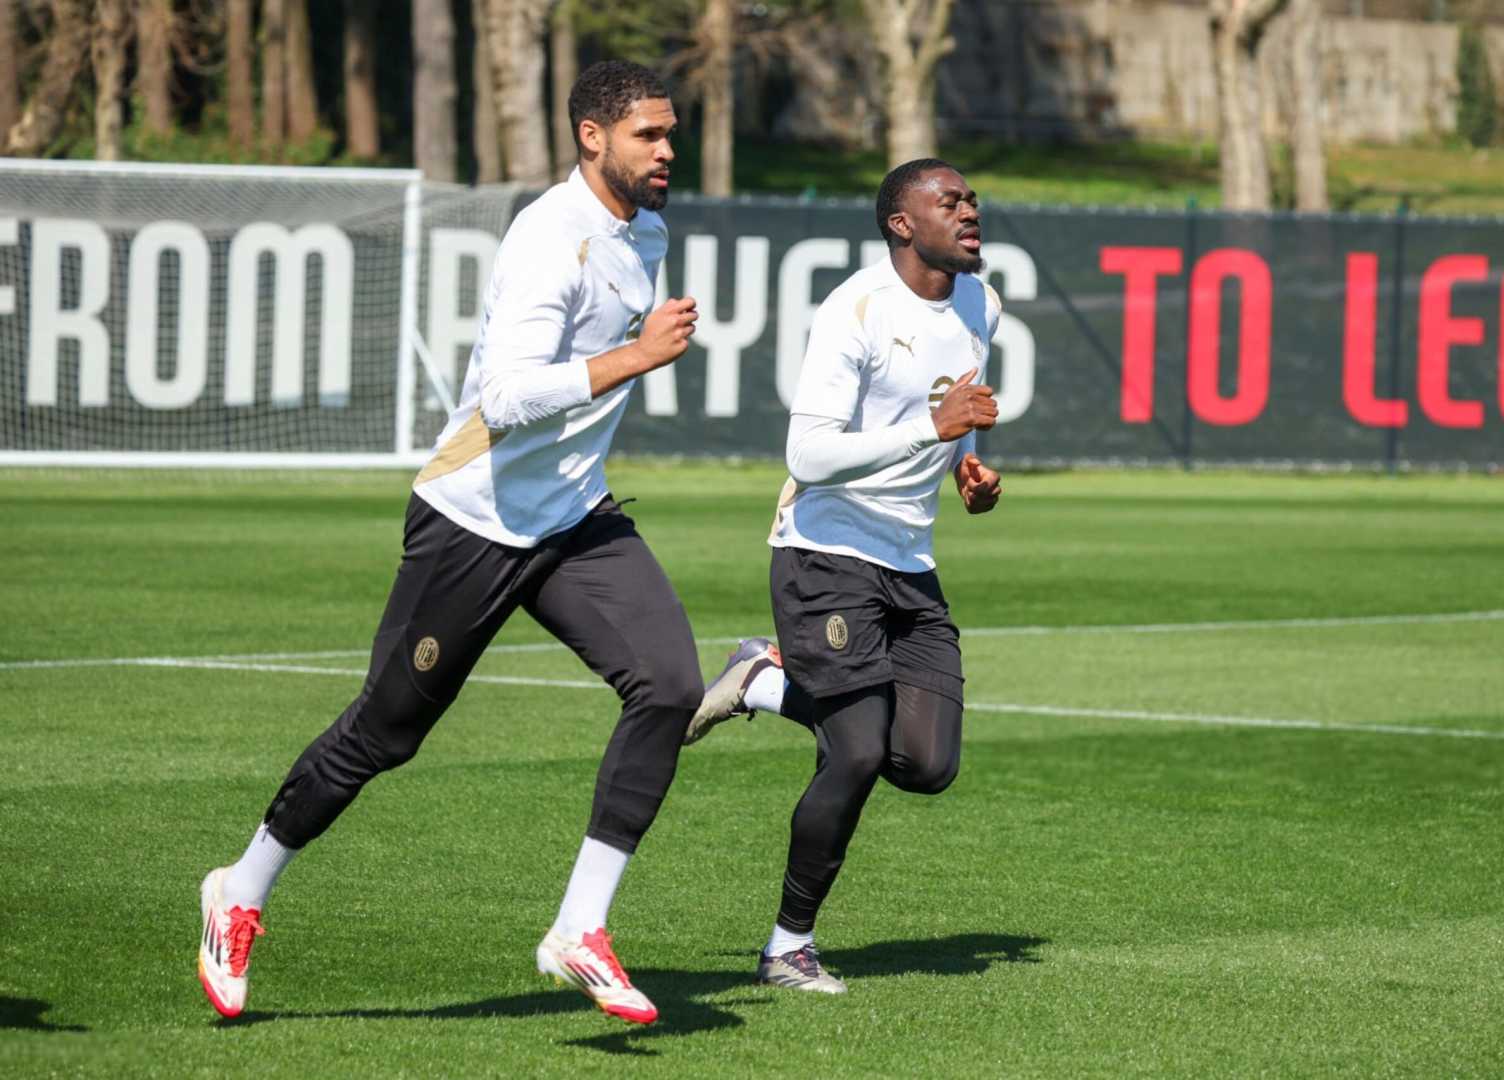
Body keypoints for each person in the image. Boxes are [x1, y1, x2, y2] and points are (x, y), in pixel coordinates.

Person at [197, 60, 702, 1027]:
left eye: (670, 133)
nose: (667, 149)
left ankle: (578, 928)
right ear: (592, 136)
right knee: (386, 734)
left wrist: (621, 363)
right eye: (650, 134)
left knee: (671, 685)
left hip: (575, 519)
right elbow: (507, 401)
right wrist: (632, 356)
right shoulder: (548, 240)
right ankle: (243, 887)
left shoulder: (648, 231)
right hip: (474, 519)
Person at [685, 159, 1004, 994]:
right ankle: (787, 946)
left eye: (971, 199)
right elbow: (809, 455)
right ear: (902, 223)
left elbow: (953, 410)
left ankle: (760, 680)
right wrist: (930, 430)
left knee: (926, 766)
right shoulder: (855, 309)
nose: (969, 210)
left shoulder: (982, 302)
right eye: (950, 201)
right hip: (825, 556)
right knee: (856, 752)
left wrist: (966, 461)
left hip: (911, 561)